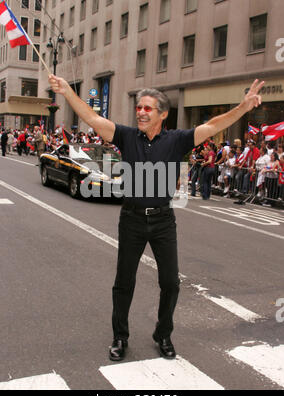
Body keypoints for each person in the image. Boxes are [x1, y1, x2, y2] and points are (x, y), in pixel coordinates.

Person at [48, 73, 264, 362]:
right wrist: (66, 92)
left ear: (163, 114)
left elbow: (213, 125)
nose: (141, 112)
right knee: (124, 282)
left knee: (171, 283)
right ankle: (120, 337)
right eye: (139, 107)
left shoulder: (177, 140)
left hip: (163, 221)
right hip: (132, 219)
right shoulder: (125, 135)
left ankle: (163, 334)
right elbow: (93, 119)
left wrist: (243, 107)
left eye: (148, 108)